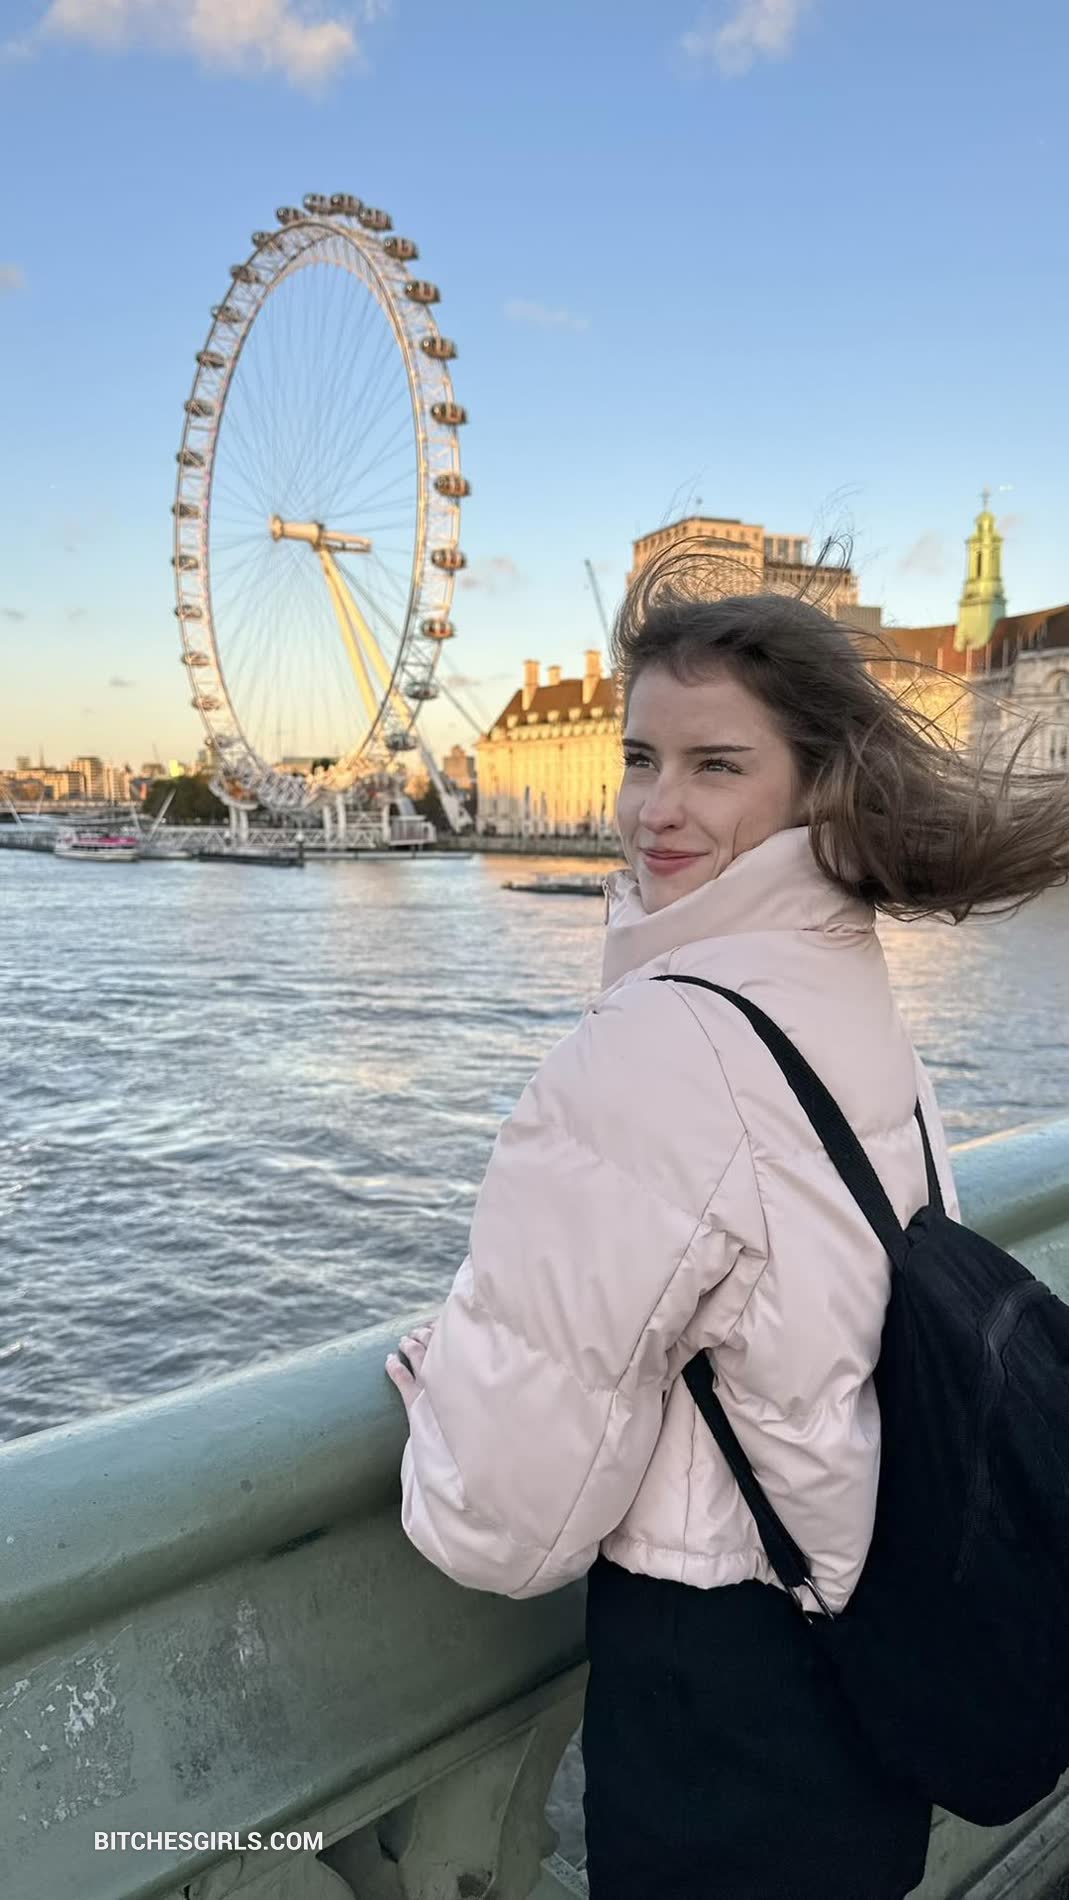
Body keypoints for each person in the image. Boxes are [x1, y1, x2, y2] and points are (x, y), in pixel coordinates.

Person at [385, 550, 1069, 1900]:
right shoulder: (847, 989)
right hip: (865, 1642)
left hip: (720, 1690)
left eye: (714, 765)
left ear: (814, 784)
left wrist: (434, 1391)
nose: (655, 808)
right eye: (641, 758)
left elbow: (508, 1522)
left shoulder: (650, 1051)